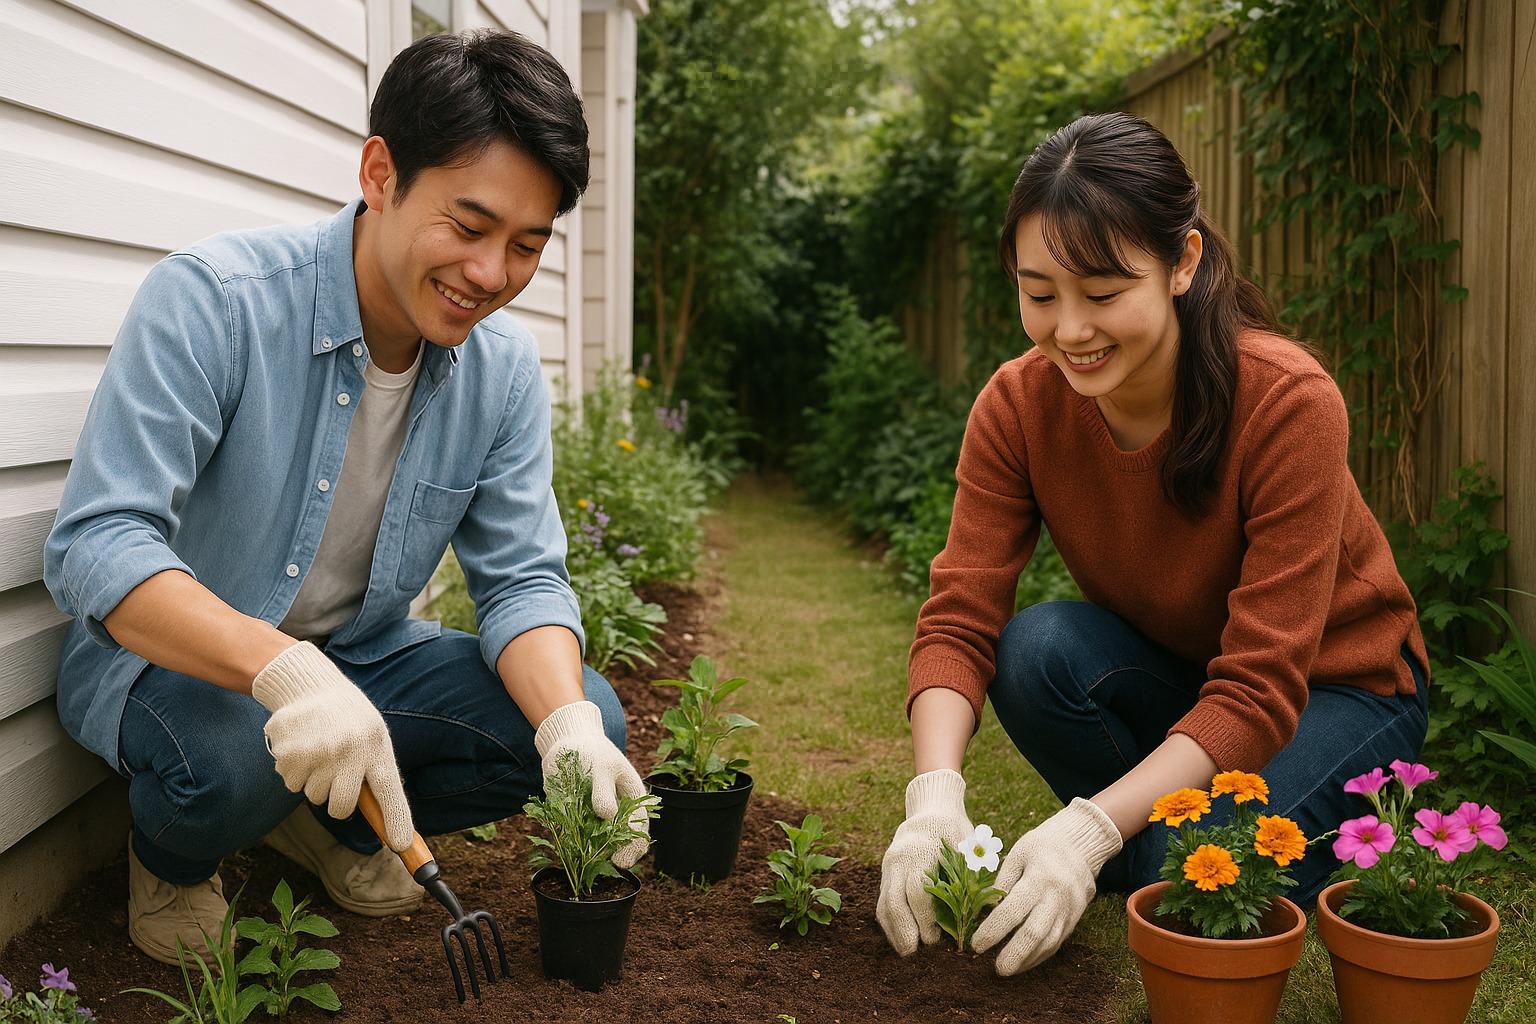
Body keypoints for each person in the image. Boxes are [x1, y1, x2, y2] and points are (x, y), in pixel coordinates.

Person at [43, 28, 648, 965]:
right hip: (185, 673)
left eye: (527, 246)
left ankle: (334, 821)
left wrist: (565, 725)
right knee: (236, 761)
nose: (492, 275)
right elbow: (99, 542)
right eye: (469, 227)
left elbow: (522, 580)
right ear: (380, 174)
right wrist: (284, 670)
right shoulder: (215, 301)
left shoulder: (503, 371)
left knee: (584, 716)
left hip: (363, 658)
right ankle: (172, 861)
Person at [875, 112, 1429, 976]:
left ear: (1183, 262)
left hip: (1342, 687)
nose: (1070, 331)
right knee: (1038, 648)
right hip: (1190, 675)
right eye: (1039, 293)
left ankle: (1146, 846)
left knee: (1188, 876)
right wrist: (933, 798)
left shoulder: (1287, 402)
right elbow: (959, 618)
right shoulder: (1018, 406)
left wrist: (1090, 827)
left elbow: (1259, 685)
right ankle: (1149, 839)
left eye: (1102, 294)